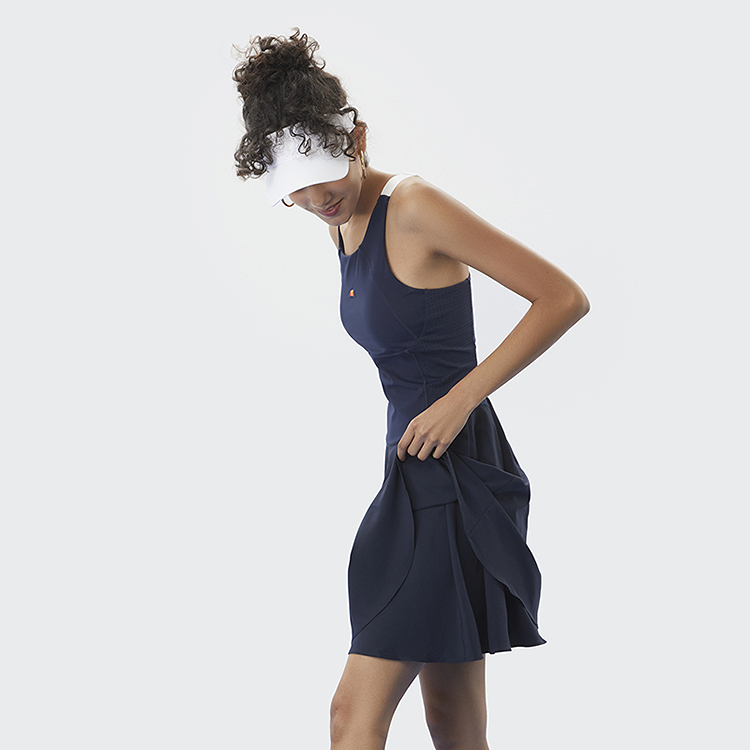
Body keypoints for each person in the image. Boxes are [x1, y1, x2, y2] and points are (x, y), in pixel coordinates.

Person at [232, 29, 590, 750]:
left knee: (351, 715)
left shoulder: (415, 205)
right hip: (412, 467)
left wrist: (460, 400)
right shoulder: (338, 222)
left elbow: (562, 297)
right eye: (296, 188)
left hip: (451, 477)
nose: (316, 198)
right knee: (453, 716)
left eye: (325, 177)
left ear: (358, 139)